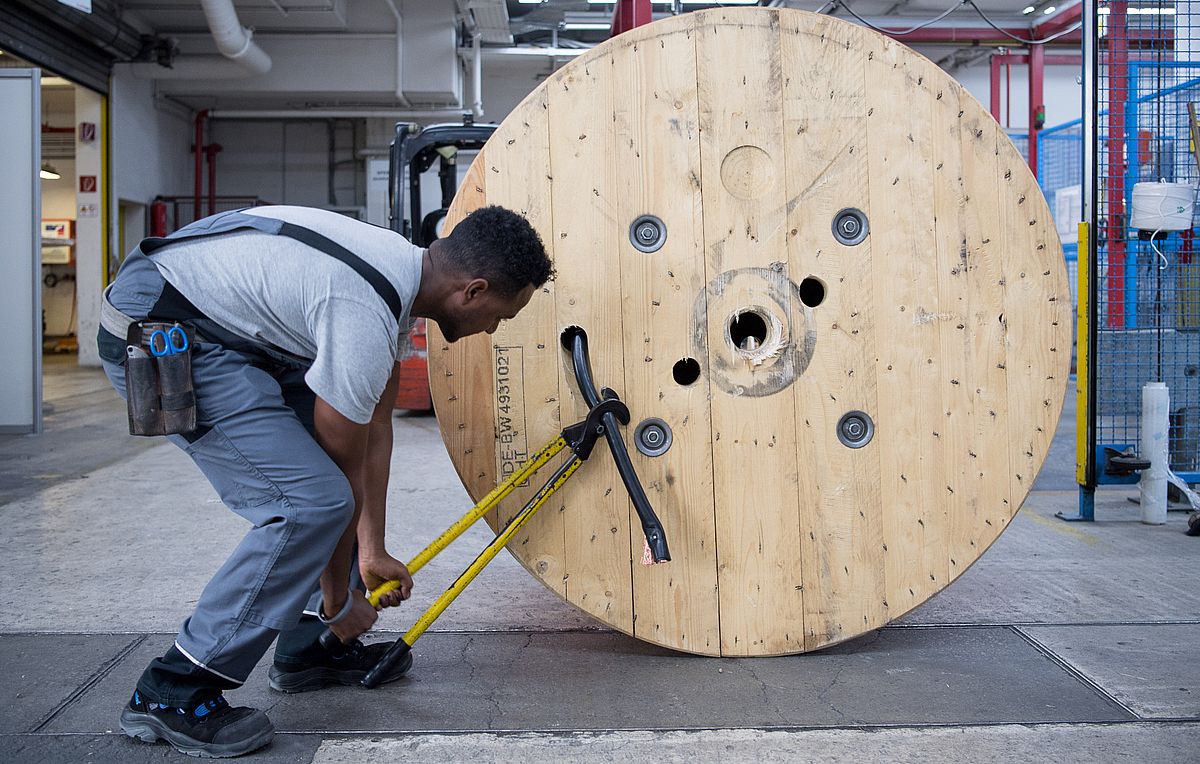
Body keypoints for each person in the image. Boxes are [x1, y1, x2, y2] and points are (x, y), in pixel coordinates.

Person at [96, 204, 552, 757]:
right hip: (165, 328)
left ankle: (306, 647)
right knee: (307, 502)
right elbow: (339, 474)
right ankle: (174, 687)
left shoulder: (399, 280)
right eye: (505, 314)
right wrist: (339, 600)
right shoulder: (364, 309)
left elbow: (374, 429)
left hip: (233, 329)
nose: (495, 328)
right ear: (473, 291)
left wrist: (371, 550)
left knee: (328, 494)